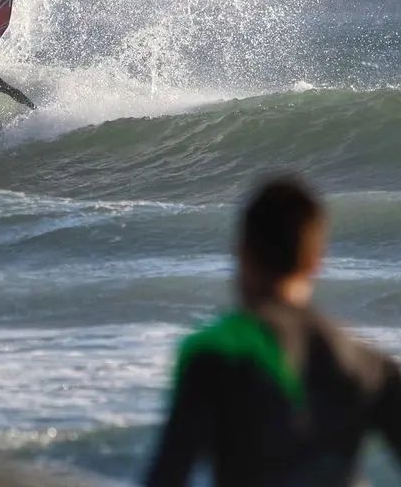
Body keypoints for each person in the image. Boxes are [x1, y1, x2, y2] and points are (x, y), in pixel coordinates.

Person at [145, 175, 401, 487]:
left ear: (242, 252)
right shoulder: (369, 364)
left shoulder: (216, 351)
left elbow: (168, 476)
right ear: (315, 260)